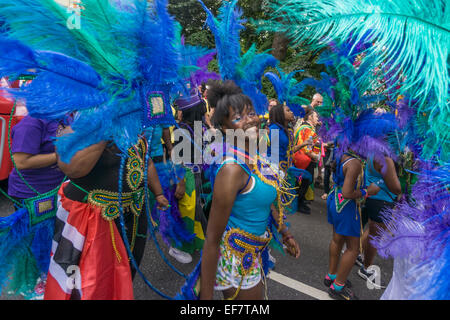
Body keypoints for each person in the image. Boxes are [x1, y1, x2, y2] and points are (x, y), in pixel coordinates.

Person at [199, 81, 300, 300]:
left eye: (251, 113)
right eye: (238, 117)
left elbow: (266, 203)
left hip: (256, 253)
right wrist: (204, 300)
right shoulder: (232, 170)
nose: (250, 120)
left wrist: (285, 233)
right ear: (225, 129)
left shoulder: (259, 158)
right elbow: (212, 240)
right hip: (236, 260)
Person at [43, 125, 170, 300]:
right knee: (85, 285)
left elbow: (145, 162)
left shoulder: (133, 126)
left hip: (133, 216)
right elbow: (70, 166)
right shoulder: (83, 123)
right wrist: (105, 121)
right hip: (94, 220)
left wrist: (159, 193)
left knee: (126, 270)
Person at [325, 150, 380, 300]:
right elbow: (348, 192)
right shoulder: (354, 162)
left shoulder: (341, 152)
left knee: (337, 239)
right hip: (346, 206)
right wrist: (368, 191)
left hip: (335, 200)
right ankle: (338, 286)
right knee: (353, 248)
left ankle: (331, 276)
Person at [358, 155, 401, 287]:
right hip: (382, 200)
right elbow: (396, 187)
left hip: (375, 198)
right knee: (375, 237)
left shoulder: (373, 151)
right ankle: (367, 268)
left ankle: (357, 254)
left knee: (371, 230)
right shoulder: (385, 159)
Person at [8, 116, 66, 204]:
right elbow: (21, 162)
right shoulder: (30, 123)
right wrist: (62, 155)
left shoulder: (63, 116)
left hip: (59, 189)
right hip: (32, 194)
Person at [293, 110, 321, 214]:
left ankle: (299, 202)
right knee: (304, 181)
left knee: (302, 182)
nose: (317, 119)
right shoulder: (307, 129)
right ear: (310, 117)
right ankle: (298, 204)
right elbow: (306, 148)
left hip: (302, 159)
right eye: (316, 116)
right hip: (305, 160)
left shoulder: (304, 128)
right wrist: (315, 156)